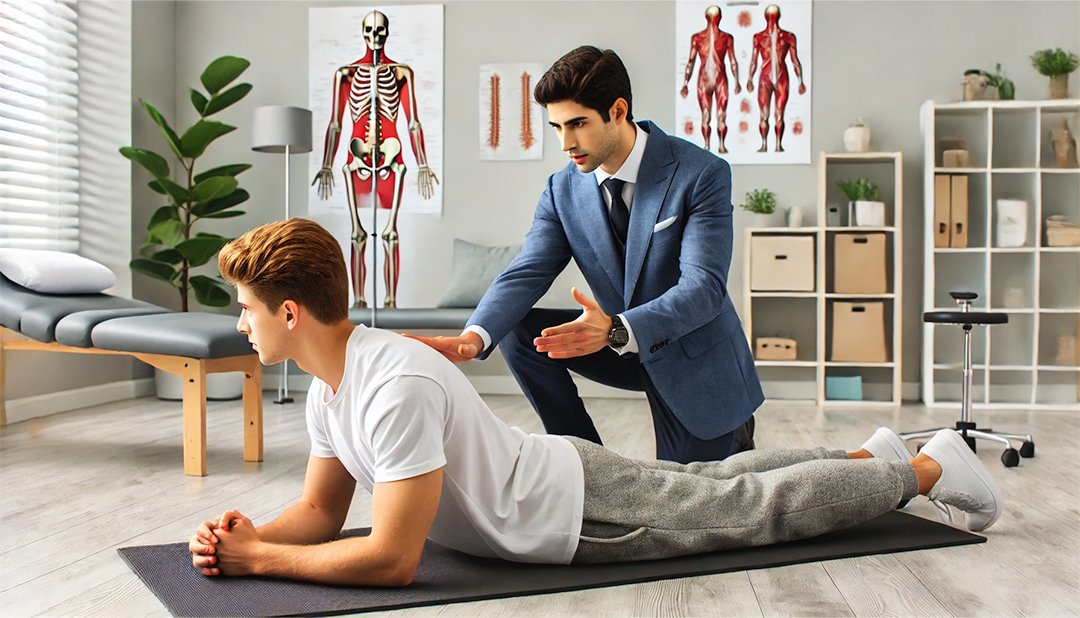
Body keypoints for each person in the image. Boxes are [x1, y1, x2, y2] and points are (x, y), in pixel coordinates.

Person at [187, 218, 1002, 586]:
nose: (241, 322)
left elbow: (392, 561)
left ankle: (927, 470)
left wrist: (262, 561)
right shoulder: (333, 389)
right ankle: (875, 455)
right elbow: (323, 516)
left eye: (247, 307)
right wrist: (251, 533)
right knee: (726, 480)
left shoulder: (391, 382)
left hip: (578, 513)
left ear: (290, 313)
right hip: (560, 483)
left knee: (750, 504)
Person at [409, 46, 762, 465]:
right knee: (517, 328)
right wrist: (473, 337)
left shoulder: (700, 173)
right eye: (557, 126)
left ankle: (735, 438)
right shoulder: (562, 190)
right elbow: (527, 271)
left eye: (577, 123)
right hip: (617, 348)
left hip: (693, 359)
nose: (565, 142)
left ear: (617, 110)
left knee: (686, 509)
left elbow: (703, 289)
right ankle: (589, 463)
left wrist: (616, 328)